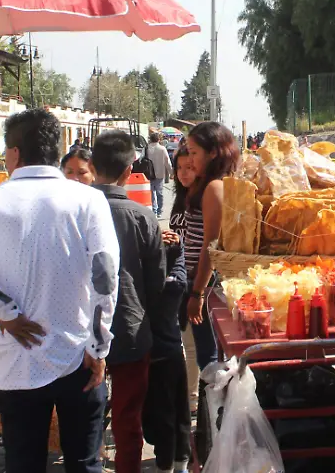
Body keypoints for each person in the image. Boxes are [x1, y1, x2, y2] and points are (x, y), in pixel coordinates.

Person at [0, 109, 119, 473]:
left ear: (15, 152)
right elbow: (106, 275)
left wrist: (4, 310)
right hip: (79, 357)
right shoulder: (88, 199)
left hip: (19, 362)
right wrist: (99, 348)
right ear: (57, 150)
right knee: (85, 464)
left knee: (23, 465)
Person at [90, 130, 166, 473]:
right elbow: (156, 283)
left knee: (82, 417)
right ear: (129, 169)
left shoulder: (75, 214)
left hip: (81, 333)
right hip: (131, 330)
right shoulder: (143, 218)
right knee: (127, 419)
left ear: (91, 166)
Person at [144, 147, 196, 473]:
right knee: (182, 358)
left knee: (188, 359)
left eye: (191, 167)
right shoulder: (180, 201)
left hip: (194, 291)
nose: (185, 173)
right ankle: (183, 438)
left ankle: (186, 431)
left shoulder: (206, 200)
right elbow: (180, 239)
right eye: (180, 168)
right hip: (180, 287)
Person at [184, 122, 241, 370]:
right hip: (198, 280)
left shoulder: (214, 188)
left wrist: (198, 293)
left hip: (206, 284)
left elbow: (211, 245)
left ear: (214, 152)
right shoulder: (205, 183)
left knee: (210, 358)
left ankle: (216, 406)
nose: (190, 158)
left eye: (195, 152)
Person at [145, 132, 174, 219]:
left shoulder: (146, 148)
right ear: (159, 139)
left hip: (148, 174)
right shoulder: (162, 149)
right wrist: (171, 172)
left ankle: (154, 210)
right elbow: (167, 162)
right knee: (159, 193)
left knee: (152, 193)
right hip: (160, 173)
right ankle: (159, 211)